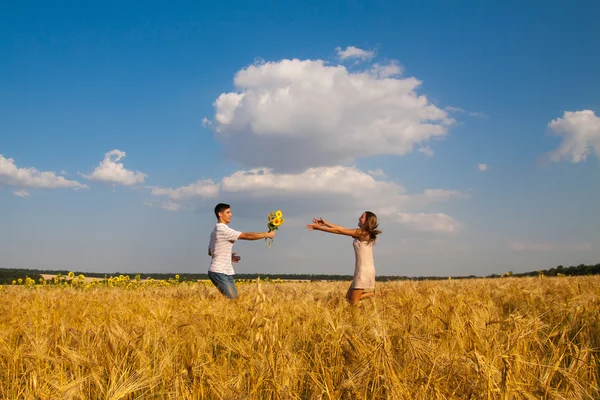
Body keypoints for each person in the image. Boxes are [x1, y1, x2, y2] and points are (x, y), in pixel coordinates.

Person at [306, 212, 381, 305]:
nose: (359, 218)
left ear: (368, 221)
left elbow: (339, 231)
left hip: (364, 270)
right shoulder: (361, 233)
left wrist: (319, 228)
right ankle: (375, 294)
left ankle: (375, 295)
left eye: (362, 217)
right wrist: (326, 224)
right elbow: (342, 229)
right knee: (348, 298)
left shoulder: (363, 233)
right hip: (360, 269)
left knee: (353, 301)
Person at [208, 203, 276, 299]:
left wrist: (228, 255)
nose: (230, 215)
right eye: (228, 212)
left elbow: (210, 251)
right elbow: (247, 236)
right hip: (219, 271)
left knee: (235, 300)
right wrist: (267, 234)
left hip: (226, 271)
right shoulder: (223, 230)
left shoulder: (214, 231)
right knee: (233, 299)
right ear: (220, 214)